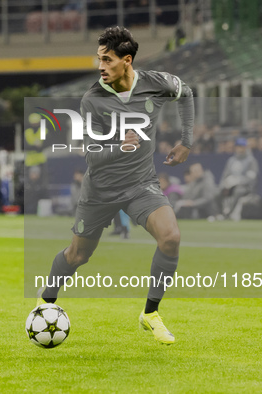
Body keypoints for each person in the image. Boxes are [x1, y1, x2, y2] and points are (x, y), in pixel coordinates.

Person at [37, 27, 194, 345]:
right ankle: (45, 303)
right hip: (101, 189)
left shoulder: (154, 83)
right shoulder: (92, 100)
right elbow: (92, 158)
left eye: (106, 60)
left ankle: (150, 314)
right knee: (77, 255)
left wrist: (186, 141)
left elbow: (186, 92)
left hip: (140, 184)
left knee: (171, 238)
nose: (100, 66)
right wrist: (119, 147)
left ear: (127, 60)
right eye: (98, 59)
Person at [217, 138, 259, 219]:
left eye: (241, 146)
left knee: (238, 191)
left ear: (245, 147)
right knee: (218, 191)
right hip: (229, 186)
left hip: (245, 188)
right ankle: (220, 213)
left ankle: (229, 213)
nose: (239, 148)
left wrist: (238, 181)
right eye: (238, 146)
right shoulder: (231, 160)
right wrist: (224, 184)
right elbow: (225, 175)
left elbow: (252, 178)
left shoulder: (251, 161)